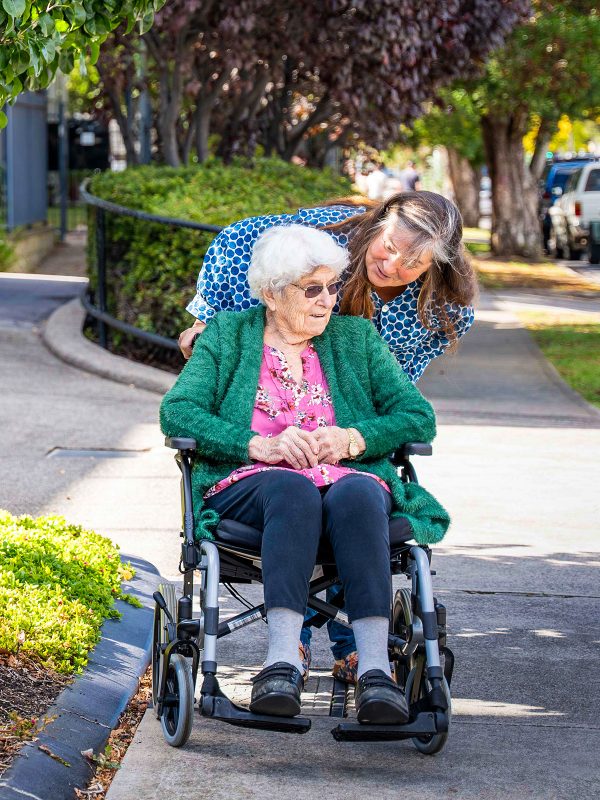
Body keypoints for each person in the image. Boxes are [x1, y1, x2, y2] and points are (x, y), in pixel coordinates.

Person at [178, 190, 476, 684]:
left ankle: (370, 662)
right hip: (263, 479)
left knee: (354, 492)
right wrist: (254, 442)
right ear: (273, 292)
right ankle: (284, 653)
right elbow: (181, 411)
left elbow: (407, 411)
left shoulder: (374, 332)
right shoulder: (236, 332)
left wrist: (355, 436)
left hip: (344, 463)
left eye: (414, 261)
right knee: (295, 492)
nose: (395, 263)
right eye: (391, 246)